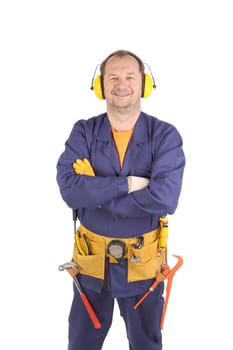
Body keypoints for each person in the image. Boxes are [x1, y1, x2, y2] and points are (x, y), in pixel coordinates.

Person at [56, 49, 185, 350]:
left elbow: (165, 198)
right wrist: (129, 184)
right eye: (113, 77)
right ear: (101, 86)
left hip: (143, 267)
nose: (121, 84)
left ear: (144, 85)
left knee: (146, 345)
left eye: (130, 76)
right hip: (91, 265)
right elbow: (68, 189)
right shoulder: (83, 132)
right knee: (82, 343)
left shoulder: (165, 136)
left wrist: (96, 193)